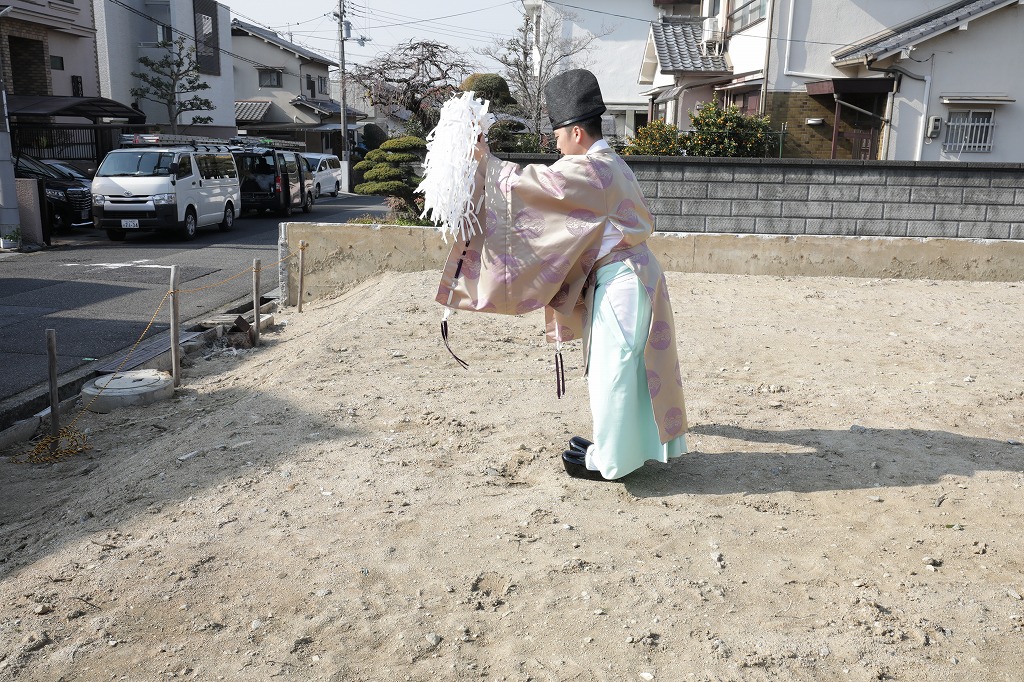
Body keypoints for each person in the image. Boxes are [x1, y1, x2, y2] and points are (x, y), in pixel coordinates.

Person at [435, 69, 688, 481]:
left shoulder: (593, 169)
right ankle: (617, 448)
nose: (555, 145)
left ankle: (610, 463)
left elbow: (536, 185)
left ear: (575, 132)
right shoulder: (609, 163)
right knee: (625, 367)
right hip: (630, 276)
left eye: (557, 137)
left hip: (623, 281)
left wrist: (486, 161)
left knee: (613, 371)